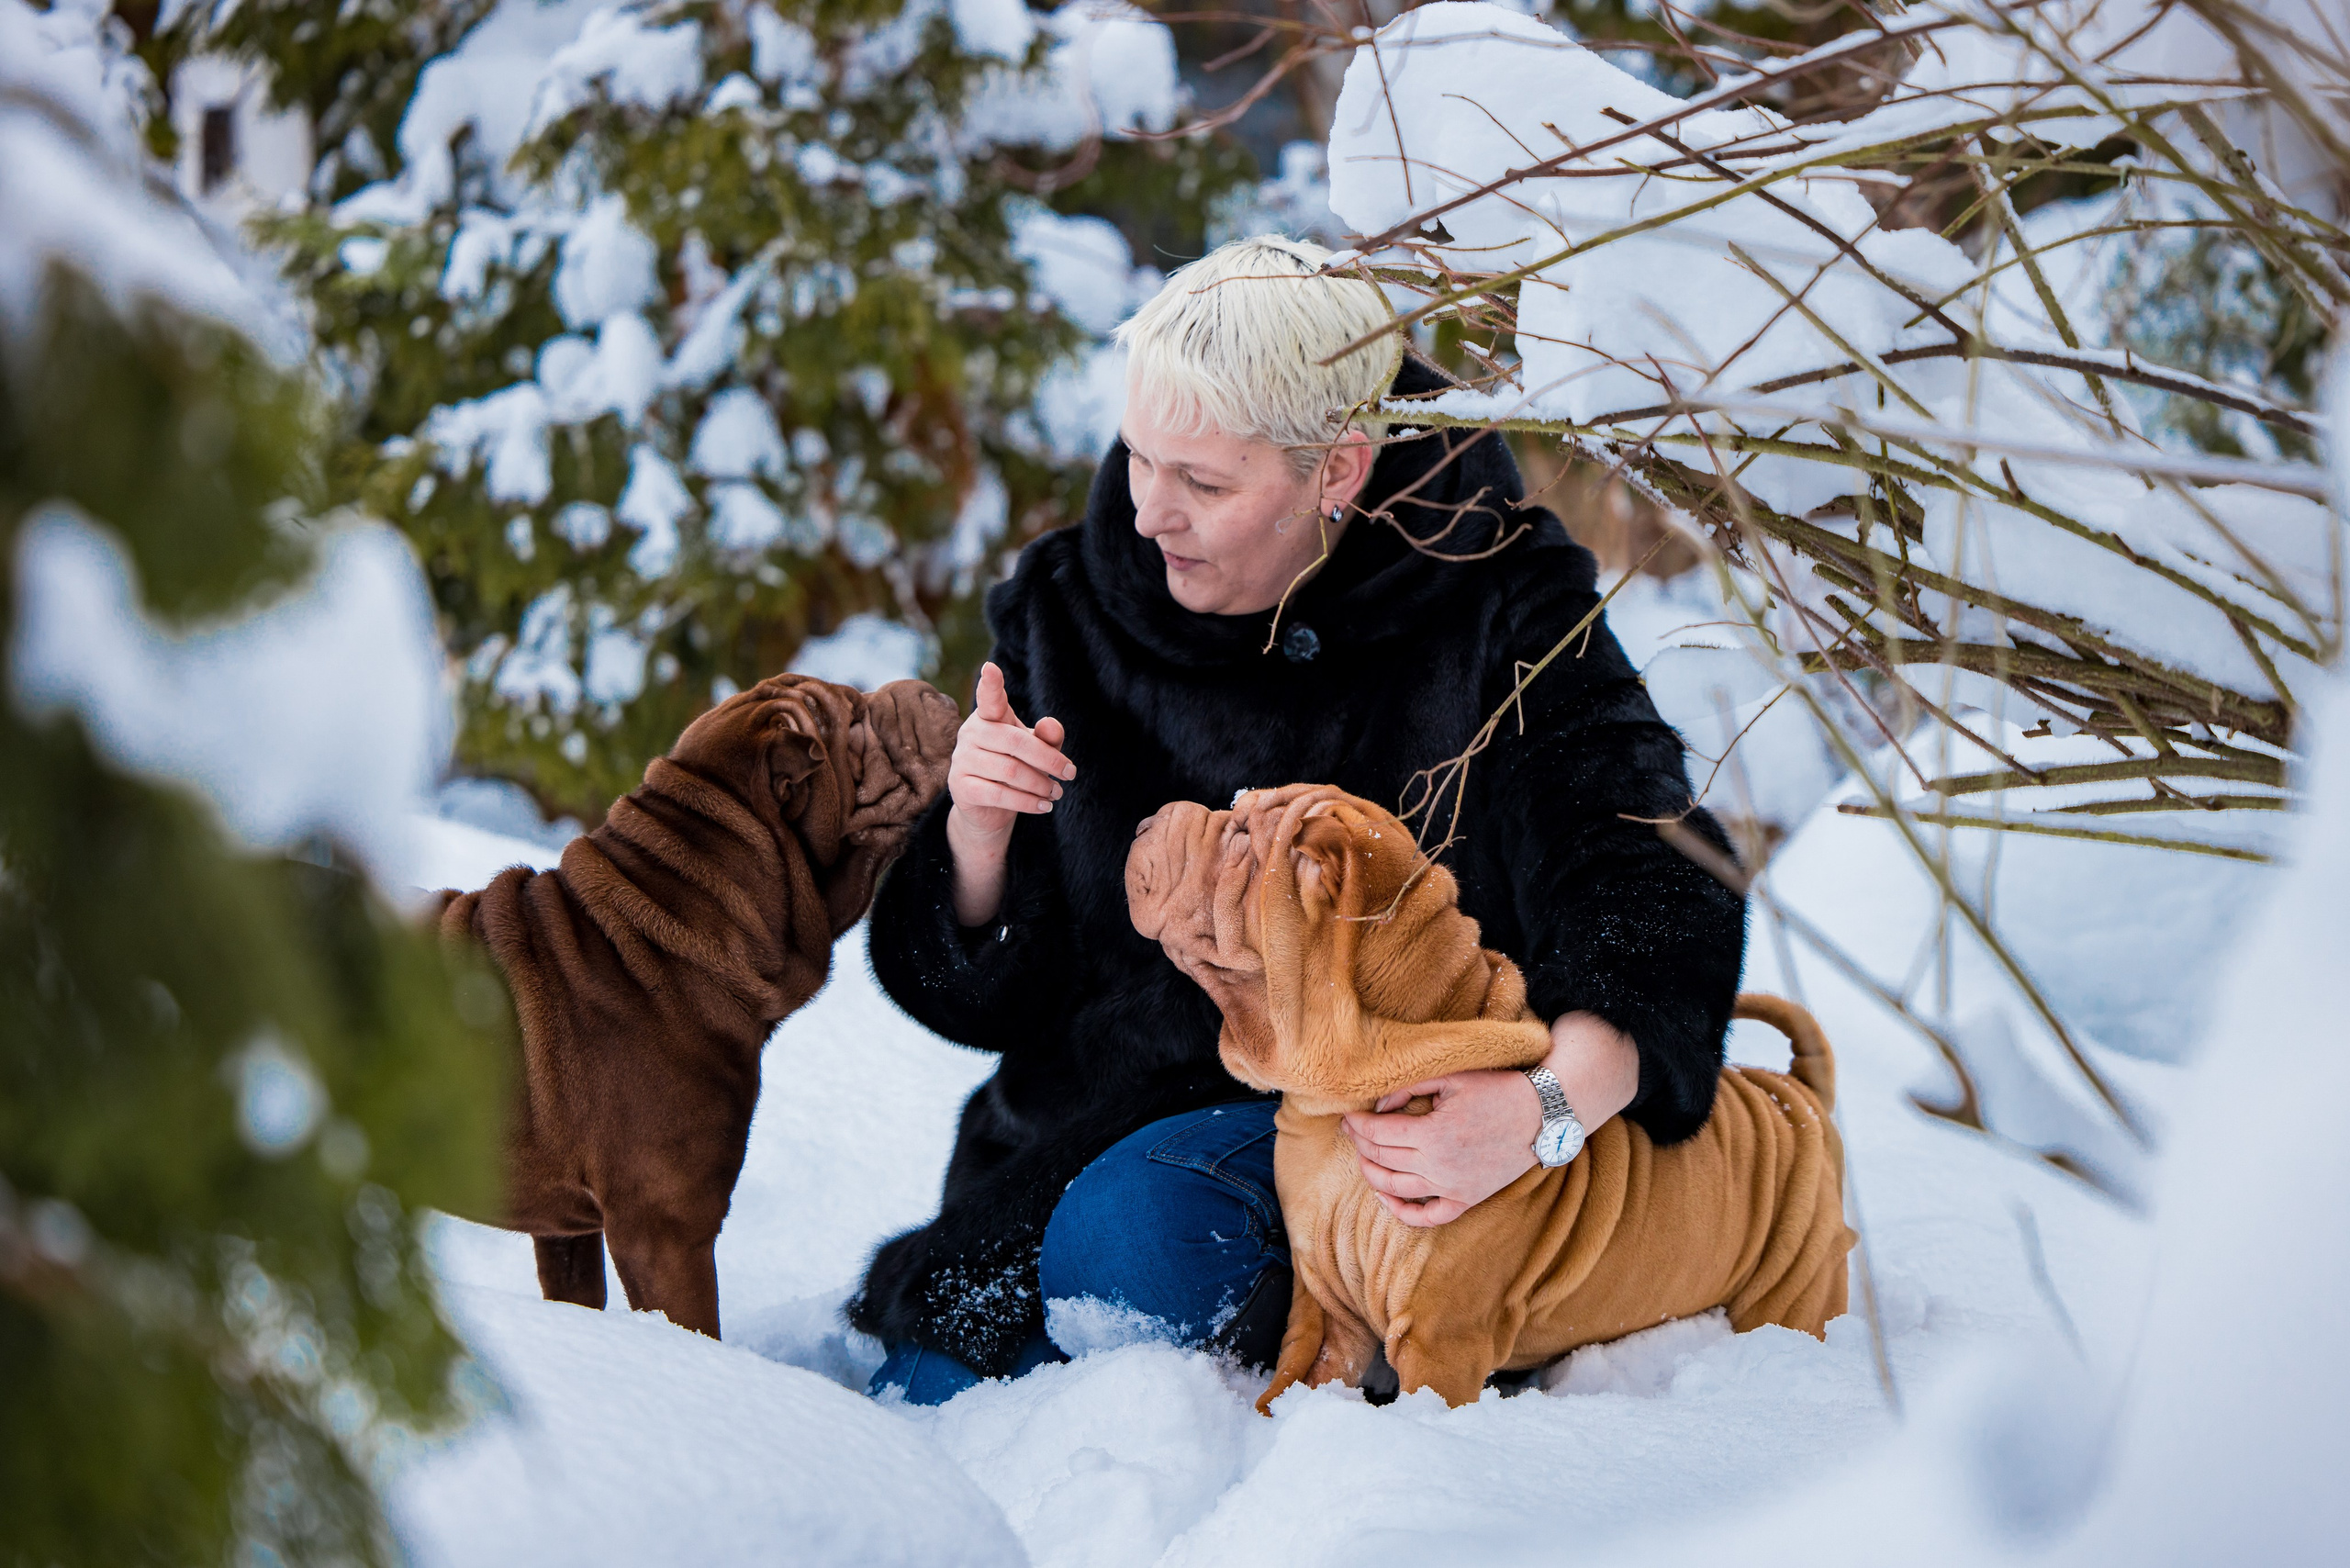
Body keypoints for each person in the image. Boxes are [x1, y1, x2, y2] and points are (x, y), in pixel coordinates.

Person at [852, 236, 1746, 1403]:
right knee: (944, 1371)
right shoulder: (1070, 609)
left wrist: (1545, 1110)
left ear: (1337, 469)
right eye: (1140, 460)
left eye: (1205, 483)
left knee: (1130, 1240)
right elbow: (984, 992)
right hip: (1074, 1137)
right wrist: (976, 828)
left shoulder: (1498, 601)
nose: (1151, 515)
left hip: (1372, 1134)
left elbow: (1656, 871)